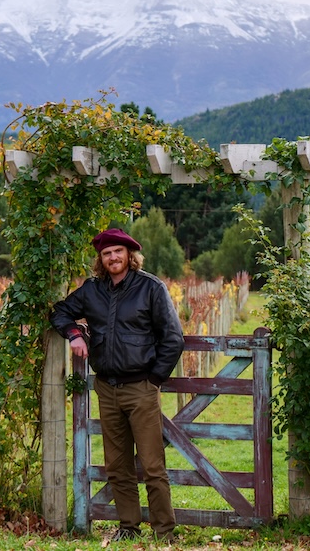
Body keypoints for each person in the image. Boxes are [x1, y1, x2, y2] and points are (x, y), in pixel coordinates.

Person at [49, 228, 184, 541]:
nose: (112, 257)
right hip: (107, 389)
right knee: (117, 465)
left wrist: (154, 379)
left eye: (118, 252)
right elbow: (60, 311)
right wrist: (74, 333)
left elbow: (173, 337)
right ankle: (128, 527)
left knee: (152, 465)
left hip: (141, 387)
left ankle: (164, 532)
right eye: (106, 253)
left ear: (130, 255)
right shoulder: (92, 290)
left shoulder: (151, 288)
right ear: (101, 258)